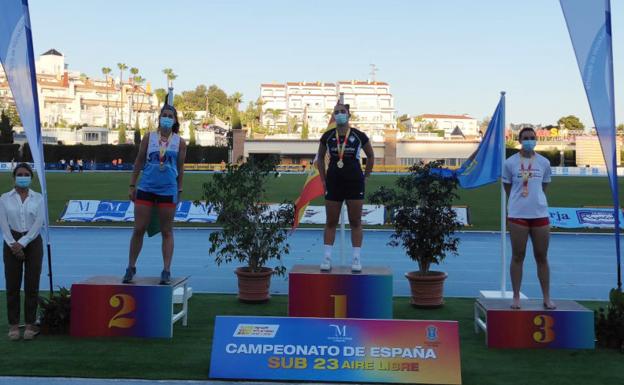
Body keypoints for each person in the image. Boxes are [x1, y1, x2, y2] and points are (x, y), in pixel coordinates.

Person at [124, 102, 186, 285]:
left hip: (168, 190)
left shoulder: (180, 142)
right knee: (139, 229)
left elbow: (180, 168)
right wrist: (132, 185)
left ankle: (166, 270)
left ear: (175, 121)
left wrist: (179, 190)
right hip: (146, 189)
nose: (166, 118)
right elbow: (138, 161)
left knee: (166, 231)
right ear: (159, 118)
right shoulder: (148, 138)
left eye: (170, 116)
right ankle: (130, 267)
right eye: (164, 115)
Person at [316, 102, 374, 272]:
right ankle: (327, 258)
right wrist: (323, 179)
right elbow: (320, 158)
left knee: (355, 221)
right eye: (336, 112)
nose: (339, 114)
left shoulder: (358, 135)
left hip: (355, 182)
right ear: (333, 116)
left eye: (342, 111)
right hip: (333, 182)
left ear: (349, 114)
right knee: (331, 221)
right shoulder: (327, 136)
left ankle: (356, 259)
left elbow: (370, 156)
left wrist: (366, 176)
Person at [503, 127, 555, 310]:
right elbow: (507, 187)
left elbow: (544, 186)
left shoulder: (544, 162)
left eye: (532, 137)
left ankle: (547, 297)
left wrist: (534, 200)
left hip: (540, 214)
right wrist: (519, 202)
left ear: (536, 139)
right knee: (518, 256)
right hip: (518, 215)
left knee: (542, 257)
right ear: (519, 140)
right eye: (525, 138)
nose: (529, 140)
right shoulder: (510, 163)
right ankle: (516, 296)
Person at [0, 163, 44, 340]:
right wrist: (13, 244)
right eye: (20, 174)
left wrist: (23, 243)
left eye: (26, 174)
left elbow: (38, 224)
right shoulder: (4, 198)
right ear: (14, 177)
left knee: (31, 285)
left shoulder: (39, 198)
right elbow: (3, 224)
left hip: (33, 242)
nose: (23, 177)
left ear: (31, 178)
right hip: (11, 242)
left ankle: (31, 324)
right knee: (12, 285)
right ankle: (13, 324)